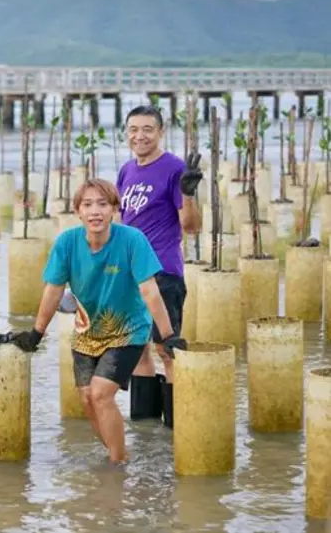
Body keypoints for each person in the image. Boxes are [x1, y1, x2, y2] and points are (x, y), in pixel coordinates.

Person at [12, 179, 186, 464]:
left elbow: (149, 290)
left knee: (101, 394)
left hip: (127, 329)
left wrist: (167, 336)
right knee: (86, 400)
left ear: (115, 209)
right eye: (88, 205)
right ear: (78, 211)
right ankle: (120, 453)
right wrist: (36, 332)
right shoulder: (67, 243)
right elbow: (54, 290)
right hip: (86, 330)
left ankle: (117, 466)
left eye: (103, 204)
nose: (96, 212)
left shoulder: (132, 240)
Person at [115, 105, 202, 429]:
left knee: (167, 349)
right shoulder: (126, 171)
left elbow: (191, 226)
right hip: (129, 275)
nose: (140, 135)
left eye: (148, 129)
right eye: (134, 129)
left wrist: (188, 194)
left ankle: (176, 429)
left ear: (161, 132)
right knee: (136, 348)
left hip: (163, 272)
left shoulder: (174, 168)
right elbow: (121, 222)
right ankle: (147, 429)